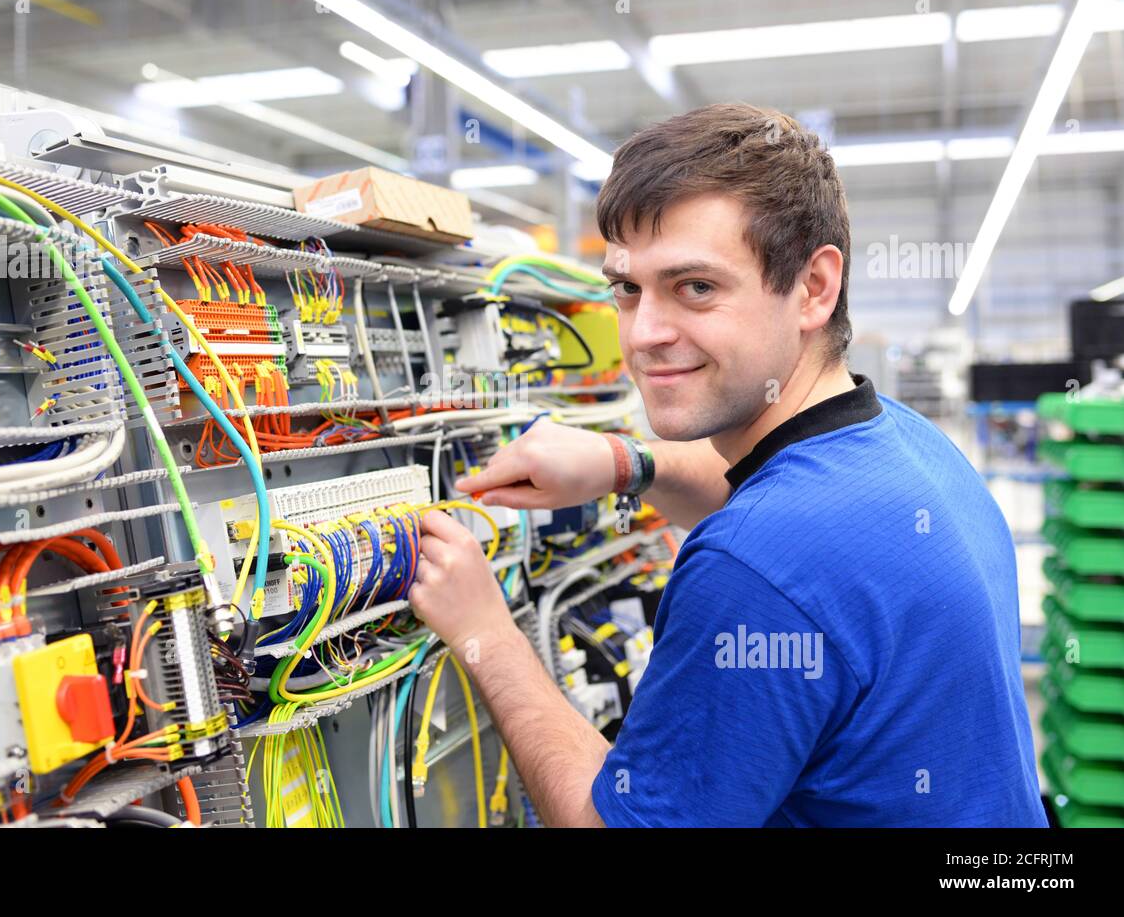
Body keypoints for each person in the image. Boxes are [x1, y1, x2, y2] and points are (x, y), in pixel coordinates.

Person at [409, 104, 1046, 827]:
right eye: (627, 287)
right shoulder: (909, 445)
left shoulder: (752, 566)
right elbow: (787, 510)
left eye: (696, 287)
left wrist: (486, 631)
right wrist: (625, 462)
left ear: (813, 288)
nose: (644, 333)